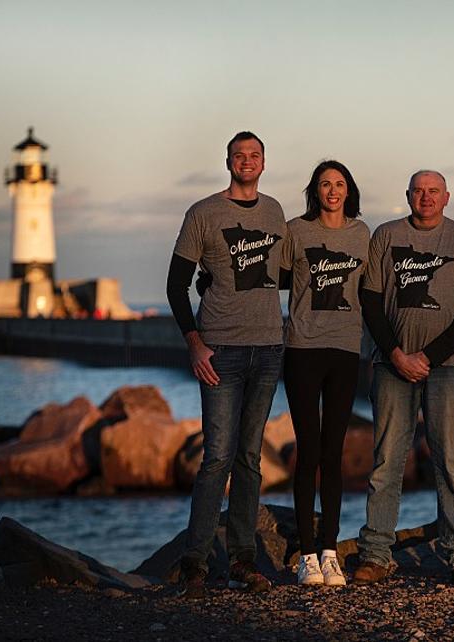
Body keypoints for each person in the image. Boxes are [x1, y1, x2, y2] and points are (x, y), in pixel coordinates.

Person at [166, 131, 286, 598]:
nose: (247, 161)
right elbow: (177, 285)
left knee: (250, 460)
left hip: (269, 347)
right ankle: (194, 563)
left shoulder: (275, 211)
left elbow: (284, 270)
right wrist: (194, 344)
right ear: (228, 162)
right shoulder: (203, 213)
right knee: (216, 458)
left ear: (263, 162)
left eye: (255, 155)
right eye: (240, 155)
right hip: (220, 351)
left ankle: (242, 561)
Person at [354, 170, 454, 585]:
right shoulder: (386, 235)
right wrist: (396, 354)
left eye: (433, 191)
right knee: (386, 461)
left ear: (447, 197)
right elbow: (370, 300)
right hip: (390, 365)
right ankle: (376, 554)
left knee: (450, 460)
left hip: (446, 368)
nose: (426, 198)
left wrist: (426, 356)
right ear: (408, 196)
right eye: (418, 191)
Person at [281, 161, 369, 586]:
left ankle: (331, 550)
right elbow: (270, 277)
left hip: (346, 350)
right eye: (324, 185)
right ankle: (307, 555)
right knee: (309, 452)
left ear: (348, 190)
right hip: (302, 349)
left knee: (333, 453)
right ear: (314, 191)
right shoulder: (294, 231)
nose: (332, 191)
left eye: (339, 184)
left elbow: (372, 291)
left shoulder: (361, 234)